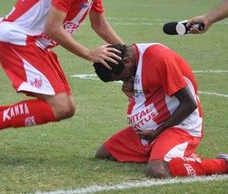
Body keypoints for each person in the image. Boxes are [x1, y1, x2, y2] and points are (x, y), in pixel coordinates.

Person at [0, 0, 138, 166]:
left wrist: (133, 54)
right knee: (60, 106)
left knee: (67, 108)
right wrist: (88, 53)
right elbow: (52, 28)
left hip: (37, 45)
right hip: (20, 40)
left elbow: (99, 24)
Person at [93, 43, 228, 178]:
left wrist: (157, 132)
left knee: (157, 170)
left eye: (121, 77)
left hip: (180, 126)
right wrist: (132, 95)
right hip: (152, 130)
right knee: (104, 154)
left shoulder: (159, 58)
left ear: (126, 61)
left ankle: (223, 164)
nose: (124, 80)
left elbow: (189, 104)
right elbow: (147, 103)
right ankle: (168, 154)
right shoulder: (134, 62)